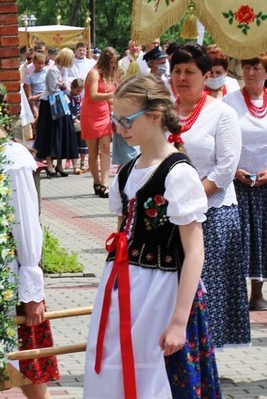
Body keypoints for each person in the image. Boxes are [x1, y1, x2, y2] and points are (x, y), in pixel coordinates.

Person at [84, 74, 220, 399]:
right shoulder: (128, 171)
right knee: (113, 366)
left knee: (152, 374)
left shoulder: (178, 174)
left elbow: (195, 252)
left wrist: (178, 321)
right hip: (121, 287)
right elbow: (124, 230)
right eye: (115, 119)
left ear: (155, 116)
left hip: (161, 291)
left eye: (125, 119)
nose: (118, 127)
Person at [170, 43, 250, 349]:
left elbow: (225, 168)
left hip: (212, 212)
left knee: (207, 286)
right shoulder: (163, 112)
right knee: (173, 285)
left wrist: (190, 198)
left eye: (190, 71)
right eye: (177, 70)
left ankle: (205, 354)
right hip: (171, 213)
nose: (182, 77)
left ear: (206, 76)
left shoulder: (222, 114)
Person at [0, 129, 59, 399]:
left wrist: (31, 290)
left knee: (30, 363)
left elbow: (25, 222)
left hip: (12, 279)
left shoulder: (12, 156)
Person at [223, 53, 267, 312]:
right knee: (238, 238)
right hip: (238, 180)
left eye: (256, 68)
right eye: (247, 67)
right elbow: (224, 140)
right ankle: (235, 293)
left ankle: (257, 292)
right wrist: (234, 169)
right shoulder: (229, 101)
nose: (250, 73)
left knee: (263, 237)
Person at [34, 47, 78, 177]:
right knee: (51, 134)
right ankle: (49, 164)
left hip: (63, 104)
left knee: (63, 133)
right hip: (51, 105)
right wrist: (63, 86)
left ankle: (60, 164)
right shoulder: (53, 70)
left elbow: (67, 87)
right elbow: (53, 89)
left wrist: (65, 87)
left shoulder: (64, 69)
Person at [81, 47, 117, 198]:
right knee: (93, 151)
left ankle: (105, 184)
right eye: (111, 62)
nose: (113, 65)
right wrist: (112, 94)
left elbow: (110, 98)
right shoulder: (94, 73)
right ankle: (96, 181)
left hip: (104, 113)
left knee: (106, 149)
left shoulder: (109, 75)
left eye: (114, 62)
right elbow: (93, 95)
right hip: (90, 114)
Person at [68, 78, 89, 174]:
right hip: (71, 123)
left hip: (80, 123)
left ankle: (83, 163)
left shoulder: (80, 97)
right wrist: (73, 118)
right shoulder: (68, 97)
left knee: (83, 143)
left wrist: (81, 117)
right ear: (72, 87)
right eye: (77, 90)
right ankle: (75, 166)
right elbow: (67, 110)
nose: (78, 93)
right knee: (74, 145)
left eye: (80, 91)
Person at [25, 52, 48, 122]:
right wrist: (34, 106)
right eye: (38, 63)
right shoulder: (29, 77)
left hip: (47, 101)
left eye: (42, 63)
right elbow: (29, 98)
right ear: (34, 63)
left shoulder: (47, 73)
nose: (40, 66)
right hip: (36, 103)